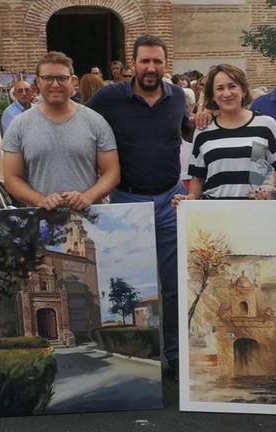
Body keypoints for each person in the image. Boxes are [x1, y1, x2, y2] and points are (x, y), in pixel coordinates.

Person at [87, 34, 194, 381]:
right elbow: (83, 129)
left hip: (170, 200)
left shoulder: (178, 97)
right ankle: (139, 360)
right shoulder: (108, 97)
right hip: (127, 201)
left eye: (157, 61)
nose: (151, 68)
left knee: (174, 284)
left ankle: (175, 355)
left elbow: (185, 133)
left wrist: (206, 120)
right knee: (131, 284)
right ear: (132, 64)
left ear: (166, 64)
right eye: (144, 61)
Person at [2, 52, 120, 211]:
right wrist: (41, 200)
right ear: (37, 81)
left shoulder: (95, 121)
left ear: (73, 81)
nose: (55, 84)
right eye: (48, 78)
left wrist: (88, 196)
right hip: (41, 221)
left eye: (62, 78)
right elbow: (11, 178)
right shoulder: (19, 125)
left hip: (89, 221)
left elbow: (112, 172)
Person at [172, 64, 276, 204]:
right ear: (213, 96)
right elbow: (198, 178)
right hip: (215, 214)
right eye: (220, 88)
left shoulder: (265, 125)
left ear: (243, 90)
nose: (226, 93)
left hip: (255, 210)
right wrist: (191, 199)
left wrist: (266, 189)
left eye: (232, 86)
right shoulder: (203, 131)